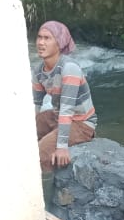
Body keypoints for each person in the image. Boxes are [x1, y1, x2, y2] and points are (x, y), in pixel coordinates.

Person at [33, 21, 97, 185]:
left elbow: (67, 110)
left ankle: (44, 203)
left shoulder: (69, 68)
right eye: (39, 37)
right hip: (57, 116)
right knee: (24, 137)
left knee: (40, 153)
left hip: (82, 123)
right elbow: (35, 104)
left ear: (59, 43)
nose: (41, 42)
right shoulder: (39, 70)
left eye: (47, 38)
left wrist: (61, 147)